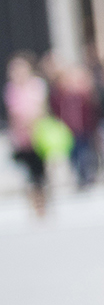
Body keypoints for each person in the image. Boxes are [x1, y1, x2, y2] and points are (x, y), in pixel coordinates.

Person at [5, 52, 49, 217]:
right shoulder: (11, 89)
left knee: (40, 173)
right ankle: (33, 205)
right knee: (27, 174)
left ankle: (42, 204)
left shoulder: (37, 85)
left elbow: (41, 110)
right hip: (21, 138)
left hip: (37, 136)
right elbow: (11, 114)